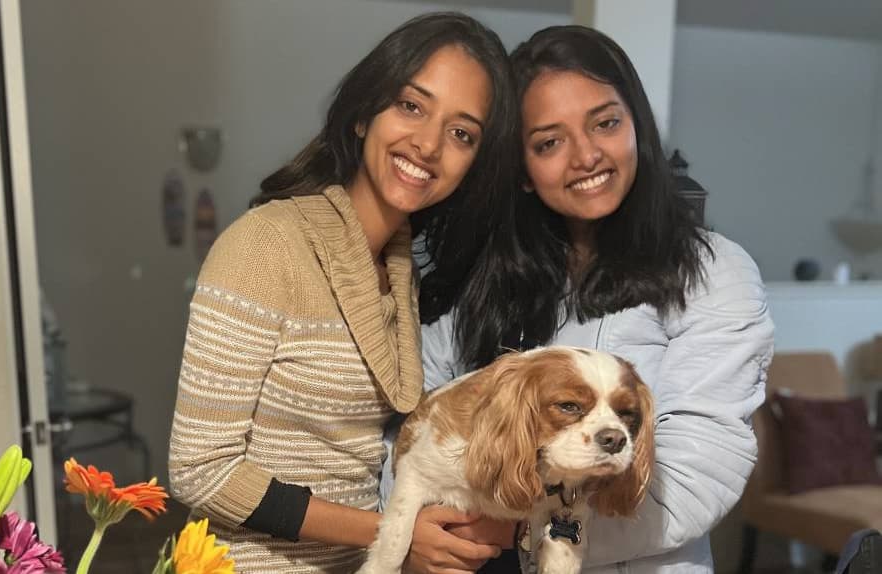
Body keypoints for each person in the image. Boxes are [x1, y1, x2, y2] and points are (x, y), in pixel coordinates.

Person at [412, 25, 775, 573]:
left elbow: (698, 476)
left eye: (605, 123)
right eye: (549, 142)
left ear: (637, 127)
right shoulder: (484, 277)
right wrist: (417, 528)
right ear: (523, 170)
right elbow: (416, 417)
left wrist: (518, 530)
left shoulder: (711, 272)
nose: (585, 156)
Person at [168, 12, 519, 573]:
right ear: (362, 115)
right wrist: (394, 533)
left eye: (462, 134)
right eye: (411, 105)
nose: (429, 144)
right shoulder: (266, 245)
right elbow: (201, 471)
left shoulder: (399, 274)